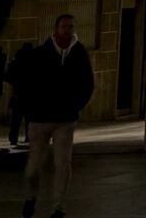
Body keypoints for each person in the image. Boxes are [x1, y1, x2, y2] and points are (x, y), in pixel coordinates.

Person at [22, 13, 94, 218]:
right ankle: (30, 197)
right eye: (64, 26)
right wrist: (30, 109)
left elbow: (87, 83)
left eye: (71, 26)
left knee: (62, 163)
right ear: (56, 29)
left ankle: (58, 207)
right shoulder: (42, 52)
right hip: (39, 118)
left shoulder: (79, 53)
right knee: (33, 167)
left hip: (65, 118)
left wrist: (75, 106)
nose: (67, 30)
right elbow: (28, 82)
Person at [5, 41, 35, 147]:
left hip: (18, 92)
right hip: (31, 93)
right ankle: (29, 136)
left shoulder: (16, 60)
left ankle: (13, 138)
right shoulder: (34, 60)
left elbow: (8, 76)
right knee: (30, 117)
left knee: (16, 118)